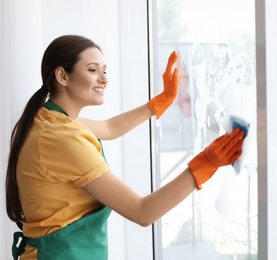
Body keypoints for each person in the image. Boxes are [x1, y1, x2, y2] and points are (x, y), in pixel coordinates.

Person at [5, 35, 245, 260]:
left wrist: (160, 102)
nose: (104, 79)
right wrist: (207, 163)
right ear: (62, 76)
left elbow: (109, 128)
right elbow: (143, 212)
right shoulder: (62, 138)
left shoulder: (48, 120)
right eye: (92, 70)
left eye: (104, 70)